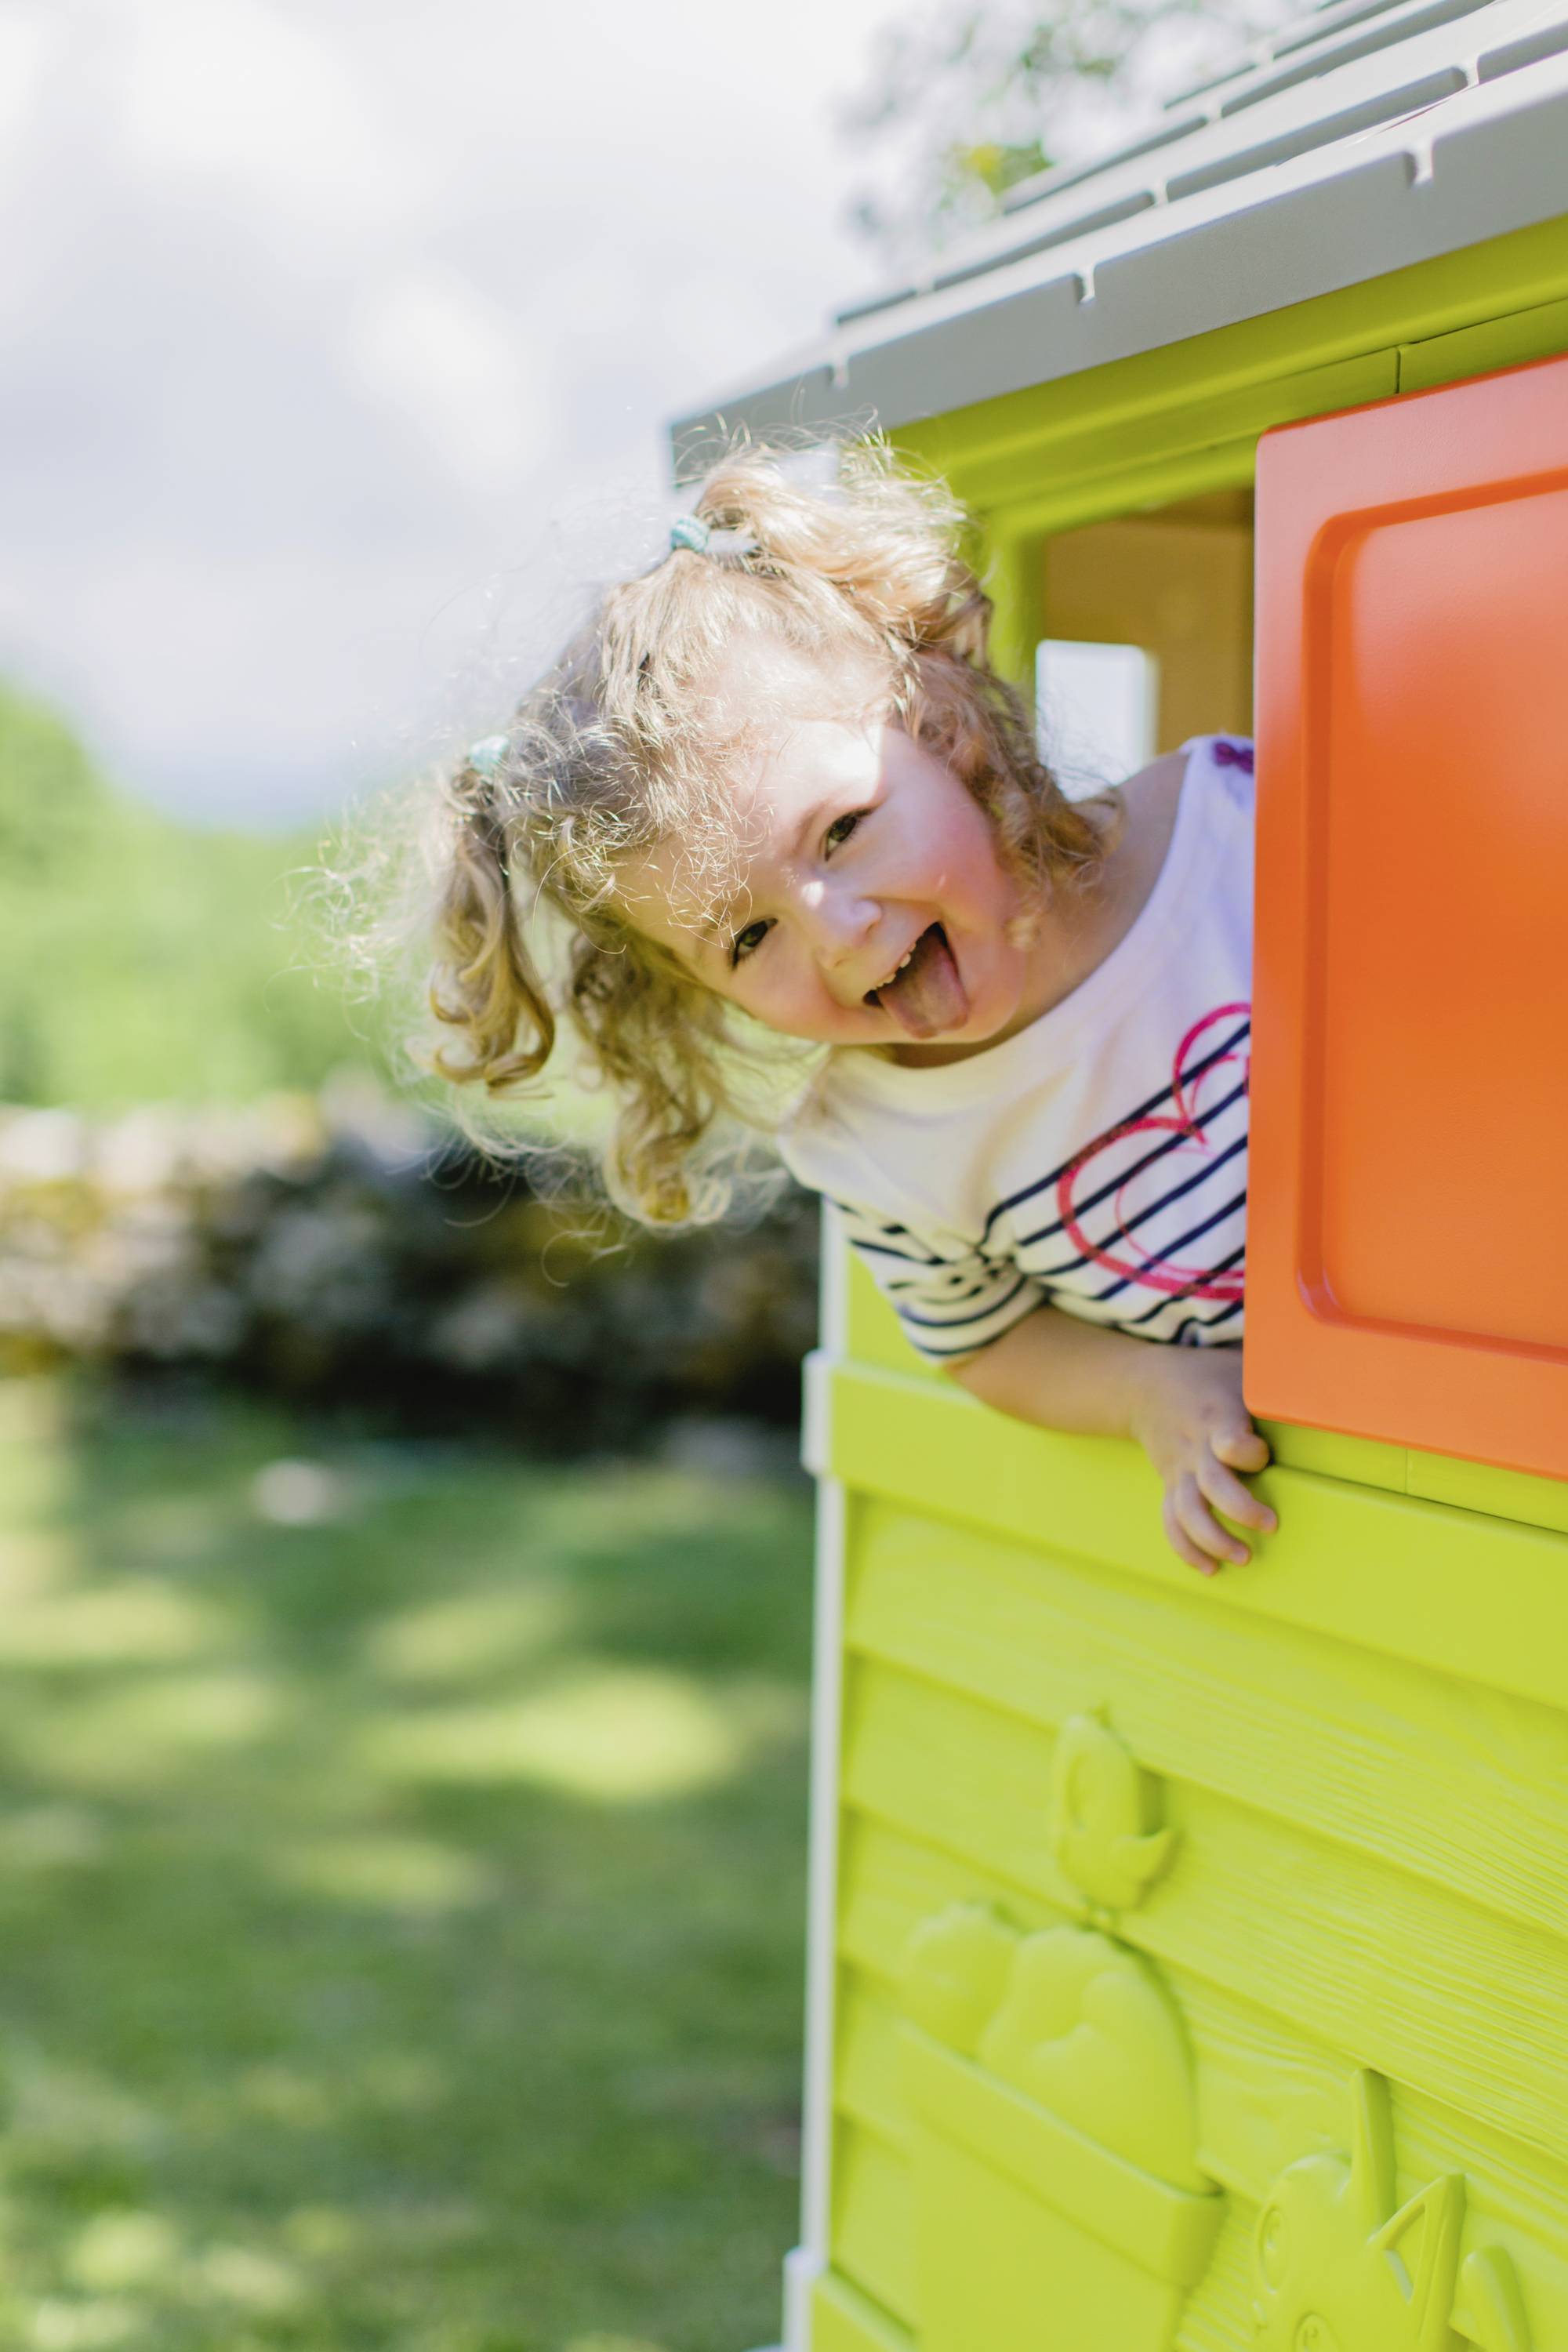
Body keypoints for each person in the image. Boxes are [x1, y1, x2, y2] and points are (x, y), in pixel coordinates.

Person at [419, 437, 1276, 1574]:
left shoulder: (1238, 828)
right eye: (749, 935)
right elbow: (988, 1342)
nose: (836, 927)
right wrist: (1151, 1394)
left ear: (936, 724)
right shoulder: (876, 1144)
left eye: (840, 829)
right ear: (693, 991)